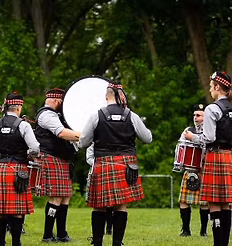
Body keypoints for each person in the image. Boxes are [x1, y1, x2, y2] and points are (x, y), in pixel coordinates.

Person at [184, 71, 232, 246]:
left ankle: (217, 244)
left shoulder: (212, 109)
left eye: (211, 86)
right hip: (231, 156)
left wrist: (193, 138)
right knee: (226, 204)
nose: (210, 90)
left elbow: (208, 138)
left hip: (215, 156)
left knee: (214, 203)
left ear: (217, 87)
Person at [79, 82, 153, 246]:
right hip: (126, 164)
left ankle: (97, 242)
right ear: (121, 96)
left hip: (103, 163)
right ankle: (117, 243)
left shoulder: (96, 115)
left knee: (99, 206)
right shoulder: (131, 115)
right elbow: (147, 138)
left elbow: (83, 142)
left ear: (106, 97)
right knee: (121, 206)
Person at [0, 92, 40, 246]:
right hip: (18, 170)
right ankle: (16, 243)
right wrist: (28, 154)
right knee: (17, 213)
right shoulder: (23, 125)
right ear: (18, 107)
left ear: (6, 106)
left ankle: (1, 243)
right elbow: (35, 148)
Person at [34, 88, 80, 242]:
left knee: (65, 197)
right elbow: (60, 133)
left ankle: (61, 233)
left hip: (61, 159)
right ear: (55, 100)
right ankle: (47, 235)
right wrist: (84, 135)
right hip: (51, 157)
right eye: (61, 102)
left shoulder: (57, 115)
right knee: (55, 198)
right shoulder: (47, 115)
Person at [177, 104, 210, 237]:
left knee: (204, 202)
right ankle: (185, 230)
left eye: (199, 115)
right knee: (183, 201)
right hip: (189, 170)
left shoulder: (210, 130)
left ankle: (203, 231)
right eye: (194, 115)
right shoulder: (188, 130)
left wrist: (194, 139)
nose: (195, 118)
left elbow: (210, 143)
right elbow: (180, 145)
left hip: (204, 170)